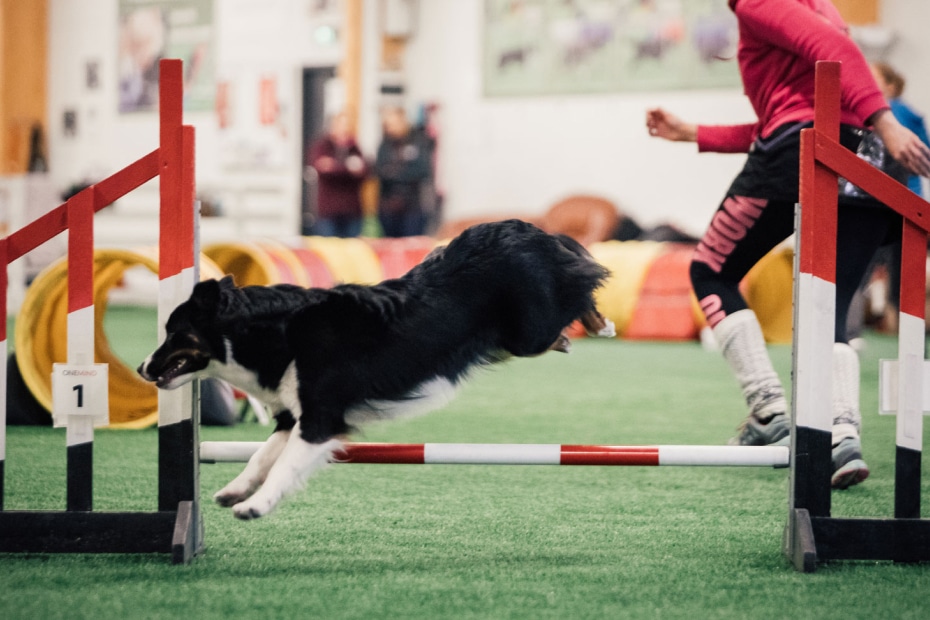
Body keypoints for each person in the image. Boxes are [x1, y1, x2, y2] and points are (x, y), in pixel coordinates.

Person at [645, 0, 930, 490]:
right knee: (832, 306)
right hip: (868, 157)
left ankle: (767, 408)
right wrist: (693, 133)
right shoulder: (820, 5)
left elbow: (829, 61)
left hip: (807, 150)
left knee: (710, 269)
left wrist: (887, 120)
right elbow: (800, 104)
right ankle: (842, 436)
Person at [307, 111, 369, 237]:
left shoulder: (355, 148)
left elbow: (364, 173)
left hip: (352, 212)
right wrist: (348, 169)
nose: (345, 128)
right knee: (328, 250)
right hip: (328, 212)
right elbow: (322, 171)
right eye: (341, 124)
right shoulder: (322, 146)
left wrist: (334, 166)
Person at [375, 106, 432, 237]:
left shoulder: (418, 141)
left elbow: (423, 170)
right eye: (388, 125)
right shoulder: (385, 144)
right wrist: (400, 172)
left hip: (412, 206)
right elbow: (379, 170)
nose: (391, 128)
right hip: (388, 206)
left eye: (394, 124)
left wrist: (395, 173)